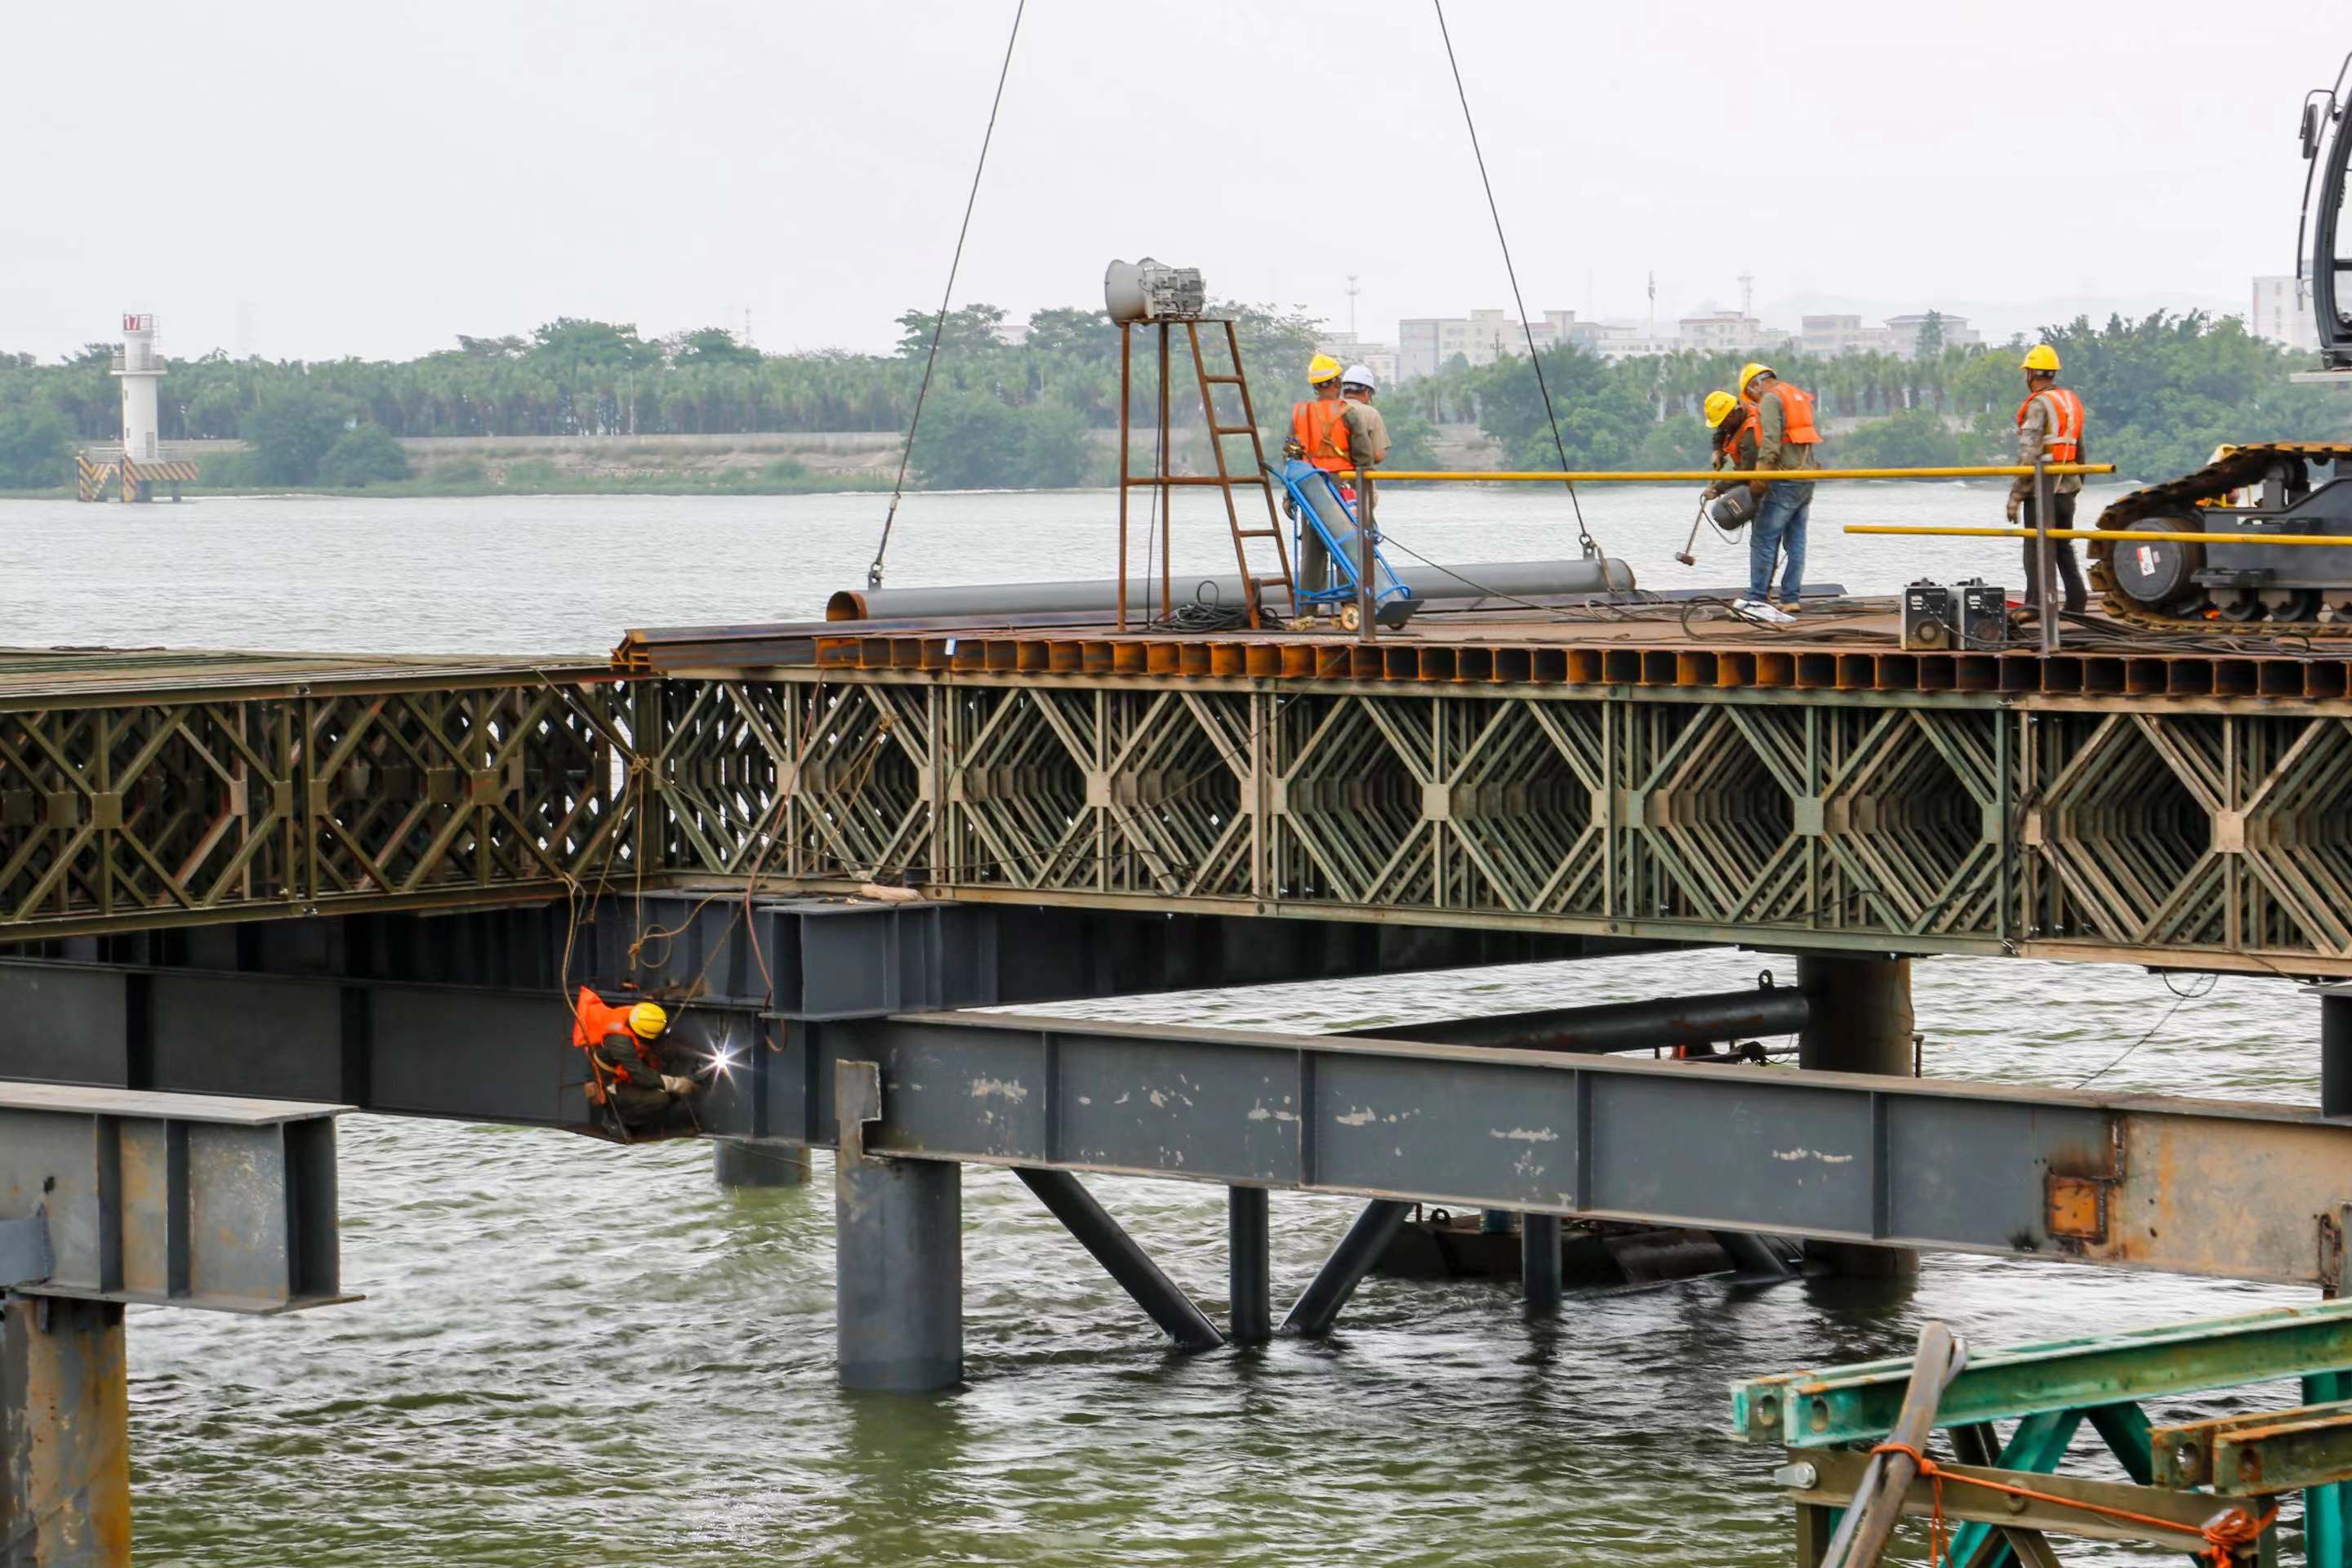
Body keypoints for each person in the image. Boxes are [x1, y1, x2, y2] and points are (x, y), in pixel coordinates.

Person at [1735, 362, 1821, 623]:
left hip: (1783, 478)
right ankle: (1790, 598)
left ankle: (1757, 596)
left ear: (1756, 384)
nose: (1754, 399)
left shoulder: (1772, 399)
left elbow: (1771, 441)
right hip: (1806, 476)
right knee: (1796, 541)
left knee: (1763, 537)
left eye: (1752, 395)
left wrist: (1761, 476)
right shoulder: (1795, 395)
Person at [2008, 343, 2089, 616]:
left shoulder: (2039, 405)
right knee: (2062, 543)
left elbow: (2028, 452)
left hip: (2043, 491)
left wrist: (2015, 496)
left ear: (2030, 373)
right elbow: (2079, 447)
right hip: (2068, 486)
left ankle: (2034, 604)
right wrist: (2079, 482)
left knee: (2034, 543)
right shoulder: (2070, 402)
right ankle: (2077, 601)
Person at [569, 987, 697, 1129]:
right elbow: (642, 1076)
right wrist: (677, 1084)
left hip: (624, 1074)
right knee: (661, 1098)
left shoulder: (638, 1014)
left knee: (666, 1090)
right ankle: (619, 1119)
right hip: (609, 1085)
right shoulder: (620, 1042)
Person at [1285, 354, 1350, 474]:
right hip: (1343, 479)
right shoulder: (1348, 411)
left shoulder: (1301, 413)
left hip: (1309, 479)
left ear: (1315, 386)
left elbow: (1290, 452)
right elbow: (1364, 454)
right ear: (1337, 383)